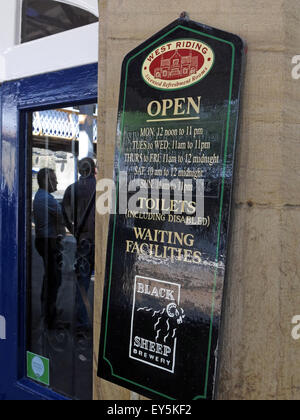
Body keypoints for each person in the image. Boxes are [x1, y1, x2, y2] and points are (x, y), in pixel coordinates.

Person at [62, 157, 96, 332]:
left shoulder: (71, 189)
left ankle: (81, 324)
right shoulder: (101, 188)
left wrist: (73, 230)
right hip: (99, 242)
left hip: (82, 241)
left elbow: (64, 212)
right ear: (94, 170)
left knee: (82, 283)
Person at [33, 168, 66, 330]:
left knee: (50, 278)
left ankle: (48, 312)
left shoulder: (40, 196)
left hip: (43, 241)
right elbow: (63, 218)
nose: (57, 182)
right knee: (53, 280)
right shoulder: (47, 199)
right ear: (47, 181)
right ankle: (50, 318)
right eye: (54, 179)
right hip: (48, 243)